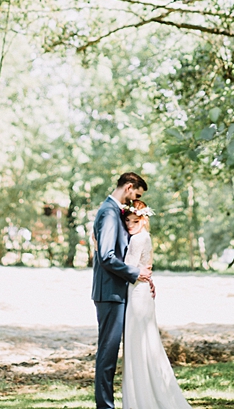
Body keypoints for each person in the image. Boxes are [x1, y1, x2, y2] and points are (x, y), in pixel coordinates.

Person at [120, 200, 192, 409]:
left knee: (137, 344)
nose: (130, 225)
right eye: (127, 221)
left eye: (135, 220)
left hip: (137, 294)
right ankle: (148, 395)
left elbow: (129, 268)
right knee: (146, 343)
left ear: (144, 219)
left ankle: (140, 400)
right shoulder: (145, 237)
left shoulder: (136, 240)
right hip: (142, 292)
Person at [92, 172, 151, 409]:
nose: (134, 201)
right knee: (107, 355)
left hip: (118, 292)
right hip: (110, 293)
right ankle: (105, 407)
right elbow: (107, 256)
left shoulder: (115, 212)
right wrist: (135, 273)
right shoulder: (108, 212)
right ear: (128, 187)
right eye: (135, 195)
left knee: (111, 353)